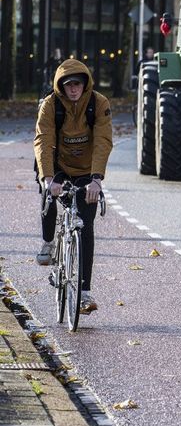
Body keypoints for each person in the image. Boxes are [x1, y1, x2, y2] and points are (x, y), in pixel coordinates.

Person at [34, 59, 112, 314]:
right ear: (61, 86)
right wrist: (48, 178)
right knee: (48, 196)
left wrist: (97, 180)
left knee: (85, 226)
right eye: (69, 85)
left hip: (87, 171)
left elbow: (102, 140)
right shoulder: (50, 105)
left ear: (85, 83)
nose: (74, 89)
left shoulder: (98, 103)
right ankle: (48, 243)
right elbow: (43, 141)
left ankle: (84, 293)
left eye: (78, 83)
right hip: (57, 165)